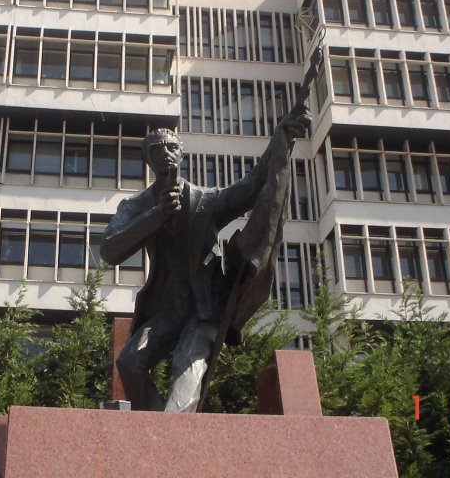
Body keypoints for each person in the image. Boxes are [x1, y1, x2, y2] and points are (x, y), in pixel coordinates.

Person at [100, 106, 310, 412]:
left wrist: (283, 137)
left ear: (182, 155)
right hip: (166, 311)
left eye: (172, 147)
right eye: (156, 149)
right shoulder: (136, 206)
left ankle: (164, 435)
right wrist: (157, 215)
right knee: (130, 361)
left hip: (203, 311)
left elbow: (253, 185)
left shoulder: (204, 202)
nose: (165, 153)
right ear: (147, 159)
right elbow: (110, 250)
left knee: (183, 392)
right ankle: (156, 437)